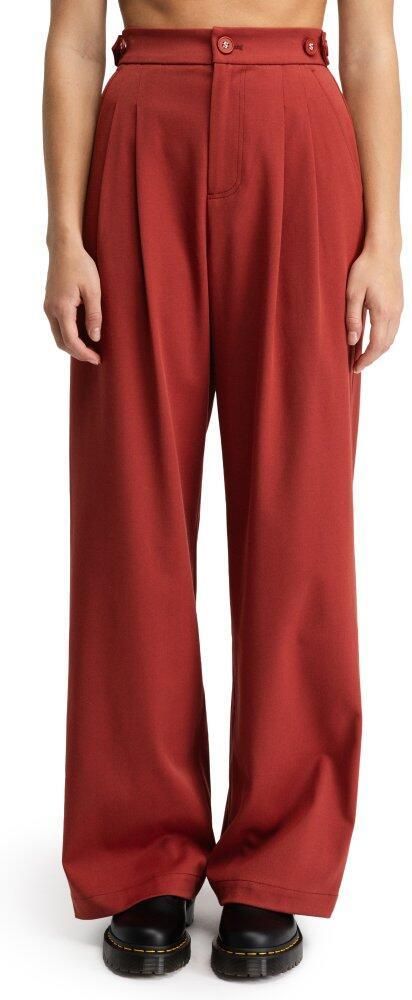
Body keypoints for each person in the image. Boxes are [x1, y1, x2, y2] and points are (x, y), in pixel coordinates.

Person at [43, 0, 403, 980]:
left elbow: (371, 43)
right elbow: (72, 40)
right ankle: (142, 852)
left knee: (300, 514)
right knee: (130, 512)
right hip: (141, 134)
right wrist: (64, 237)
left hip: (299, 133)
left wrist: (384, 241)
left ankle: (277, 856)